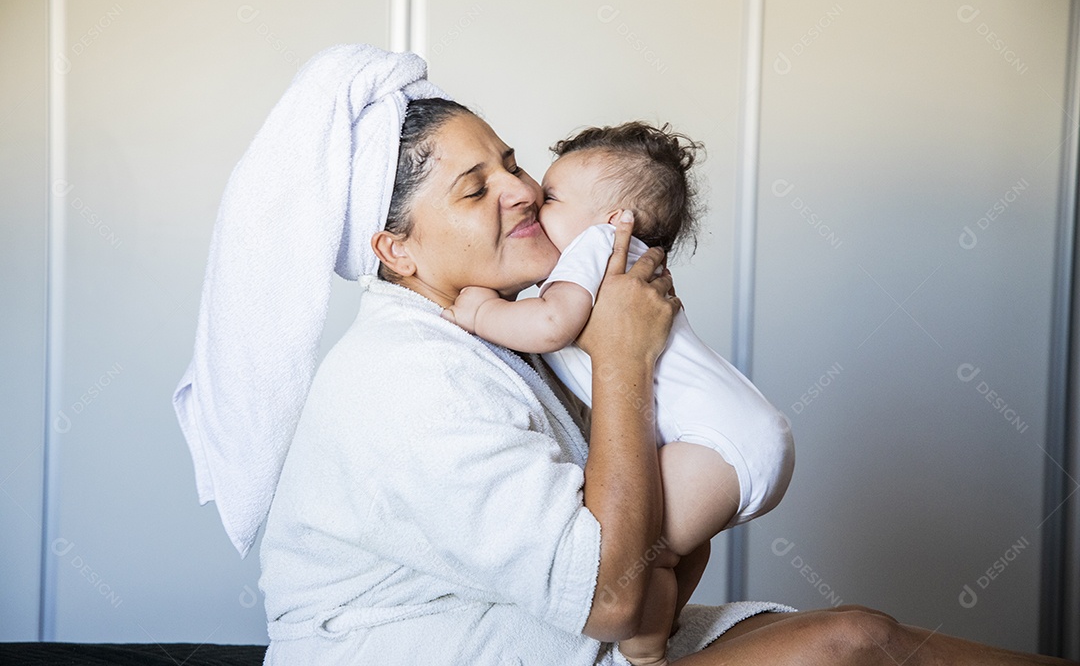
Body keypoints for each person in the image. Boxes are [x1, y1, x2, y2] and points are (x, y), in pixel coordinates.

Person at [258, 94, 1078, 666]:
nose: (521, 190)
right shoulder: (406, 376)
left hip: (545, 627)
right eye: (475, 189)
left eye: (510, 161)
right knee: (851, 645)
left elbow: (643, 540)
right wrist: (624, 360)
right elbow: (613, 601)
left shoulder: (508, 333)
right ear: (395, 251)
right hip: (430, 650)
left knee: (861, 635)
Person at [441, 121, 795, 665]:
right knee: (676, 546)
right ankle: (666, 619)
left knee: (642, 556)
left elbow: (552, 324)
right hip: (738, 437)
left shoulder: (599, 247)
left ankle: (648, 653)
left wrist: (483, 310)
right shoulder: (605, 257)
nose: (533, 197)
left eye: (553, 197)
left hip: (719, 445)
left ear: (614, 219)